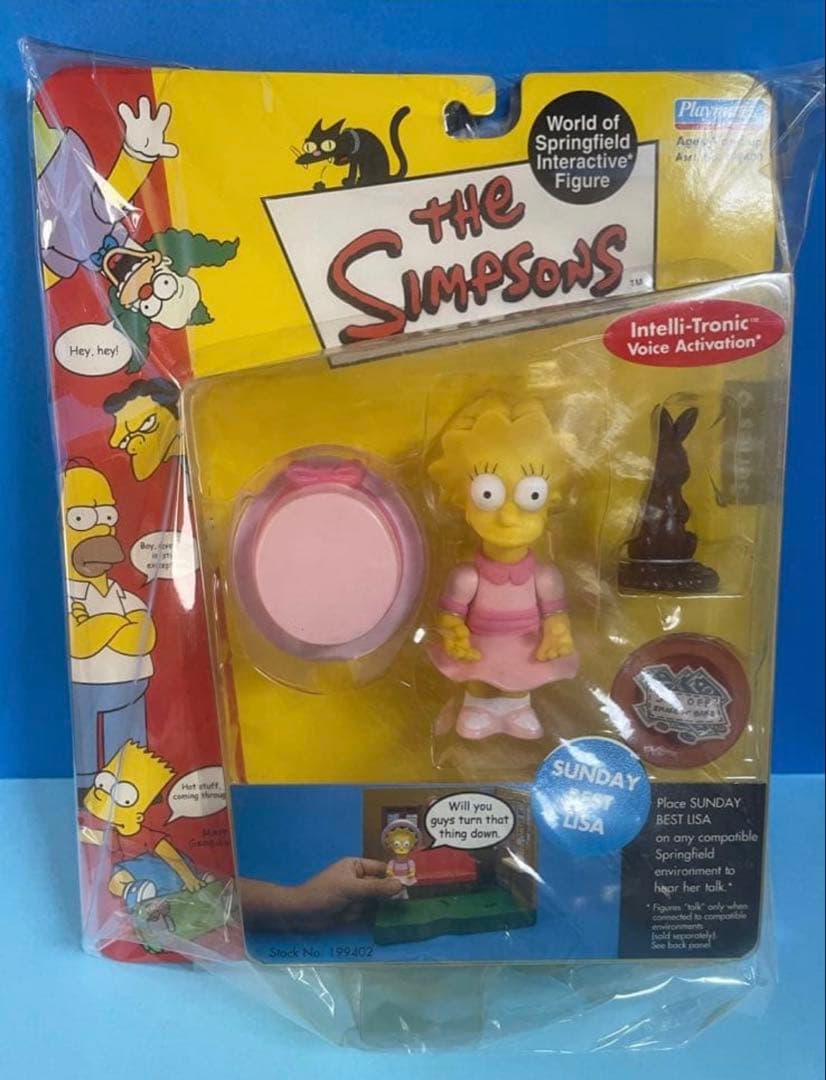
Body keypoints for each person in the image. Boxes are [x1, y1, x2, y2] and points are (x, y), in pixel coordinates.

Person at [62, 464, 156, 788]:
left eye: (106, 517)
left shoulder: (122, 596)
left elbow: (144, 636)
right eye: (81, 519)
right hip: (87, 684)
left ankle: (135, 778)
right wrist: (118, 626)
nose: (100, 530)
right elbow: (81, 644)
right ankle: (86, 785)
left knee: (130, 737)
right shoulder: (69, 597)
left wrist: (99, 626)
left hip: (133, 680)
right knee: (84, 737)